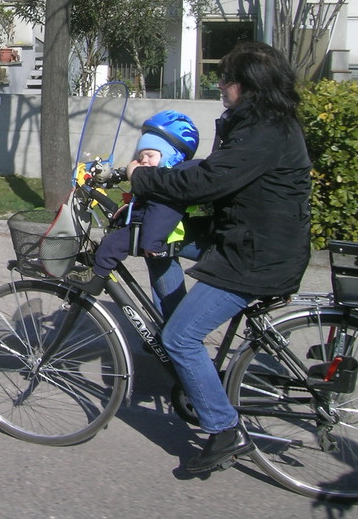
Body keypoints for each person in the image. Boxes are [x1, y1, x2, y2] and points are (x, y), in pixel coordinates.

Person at [127, 41, 312, 474]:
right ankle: (180, 337)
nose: (220, 87)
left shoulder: (264, 131)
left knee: (180, 339)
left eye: (224, 79)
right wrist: (149, 177)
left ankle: (223, 429)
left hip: (255, 256)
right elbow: (214, 171)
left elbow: (207, 182)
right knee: (162, 242)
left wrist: (145, 177)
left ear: (245, 85)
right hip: (248, 238)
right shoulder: (262, 122)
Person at [65, 110, 200, 321]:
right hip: (155, 233)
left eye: (151, 156)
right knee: (162, 283)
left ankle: (97, 274)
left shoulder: (165, 188)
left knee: (111, 244)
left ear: (171, 157)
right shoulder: (162, 180)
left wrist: (152, 242)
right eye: (140, 156)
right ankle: (168, 326)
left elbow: (162, 212)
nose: (144, 161)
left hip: (154, 235)